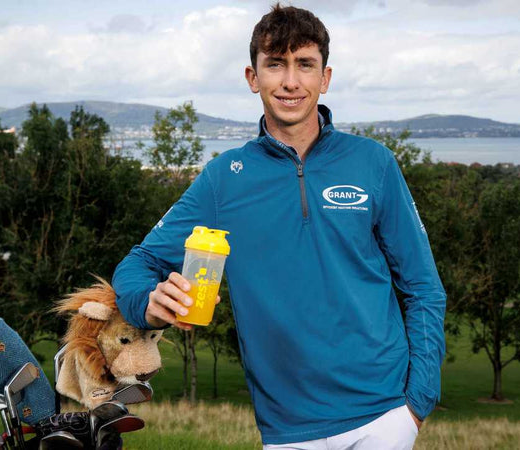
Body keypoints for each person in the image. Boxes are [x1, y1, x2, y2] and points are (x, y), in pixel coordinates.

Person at [112, 4, 446, 449]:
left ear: (325, 78)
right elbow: (138, 264)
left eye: (305, 64)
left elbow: (423, 287)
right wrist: (148, 305)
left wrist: (417, 402)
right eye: (275, 64)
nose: (291, 81)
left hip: (384, 416)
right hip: (287, 430)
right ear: (253, 77)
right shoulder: (224, 178)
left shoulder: (374, 163)